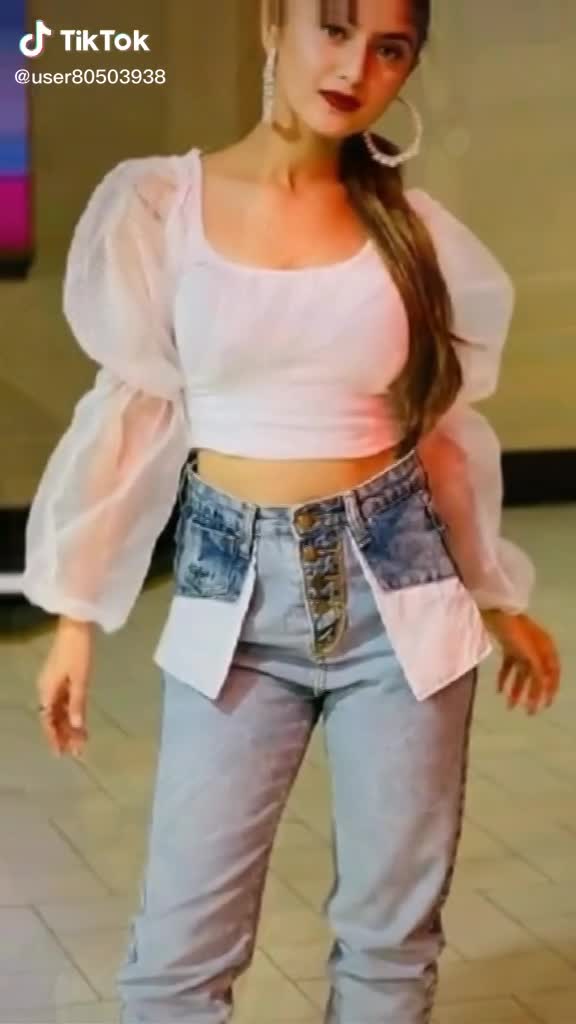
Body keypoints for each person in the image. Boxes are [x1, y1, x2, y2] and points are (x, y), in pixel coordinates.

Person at [23, 1, 561, 1021]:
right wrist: (75, 618)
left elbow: (441, 438)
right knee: (177, 958)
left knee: (390, 946)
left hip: (400, 601)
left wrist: (498, 598)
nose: (355, 67)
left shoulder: (412, 229)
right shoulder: (161, 206)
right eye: (335, 27)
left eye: (390, 48)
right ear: (274, 22)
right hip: (233, 602)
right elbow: (131, 417)